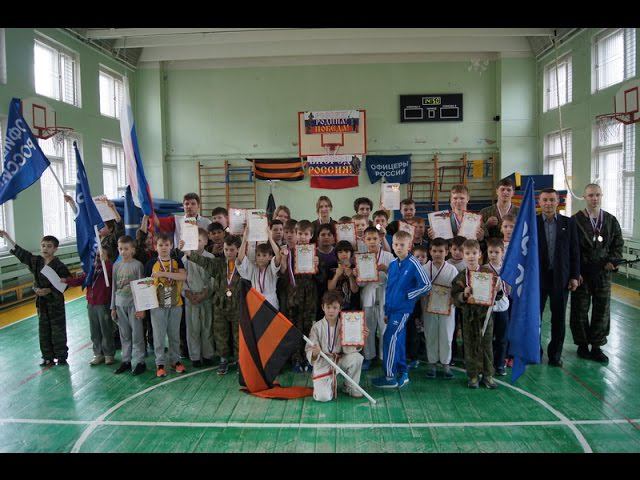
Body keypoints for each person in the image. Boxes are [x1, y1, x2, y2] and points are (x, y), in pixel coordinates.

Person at [570, 184, 624, 364]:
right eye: (591, 195)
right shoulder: (575, 221)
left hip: (603, 274)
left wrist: (613, 261)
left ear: (602, 196)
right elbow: (571, 248)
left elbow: (618, 244)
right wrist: (575, 272)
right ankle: (582, 344)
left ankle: (597, 346)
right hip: (582, 274)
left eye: (597, 195)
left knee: (602, 310)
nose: (594, 198)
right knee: (579, 310)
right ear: (584, 197)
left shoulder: (610, 220)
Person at [1, 231, 71, 367]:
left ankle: (61, 356)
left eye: (49, 246)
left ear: (55, 249)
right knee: (43, 330)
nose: (45, 248)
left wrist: (49, 290)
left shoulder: (60, 266)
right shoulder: (37, 261)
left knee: (58, 330)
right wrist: (6, 236)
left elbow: (66, 284)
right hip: (41, 303)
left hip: (55, 303)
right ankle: (47, 357)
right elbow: (20, 253)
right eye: (43, 245)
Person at [372, 230, 431, 389]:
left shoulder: (413, 263)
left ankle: (390, 377)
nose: (398, 247)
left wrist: (409, 295)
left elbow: (426, 285)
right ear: (392, 245)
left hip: (403, 309)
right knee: (397, 341)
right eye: (396, 244)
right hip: (392, 310)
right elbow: (389, 289)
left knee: (389, 338)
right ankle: (402, 373)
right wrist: (387, 311)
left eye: (402, 245)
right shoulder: (393, 264)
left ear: (409, 246)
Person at [185, 235, 242, 375]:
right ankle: (223, 359)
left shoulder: (243, 266)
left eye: (232, 250)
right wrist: (188, 252)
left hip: (237, 306)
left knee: (238, 335)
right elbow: (204, 261)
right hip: (219, 305)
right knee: (220, 333)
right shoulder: (218, 264)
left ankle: (240, 361)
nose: (228, 253)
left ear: (238, 250)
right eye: (226, 249)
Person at [451, 239, 503, 389]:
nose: (471, 256)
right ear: (463, 255)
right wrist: (464, 294)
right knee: (470, 346)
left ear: (480, 254)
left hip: (485, 317)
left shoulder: (489, 274)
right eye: (467, 253)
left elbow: (497, 296)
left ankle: (488, 375)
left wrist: (498, 290)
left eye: (474, 253)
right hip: (468, 317)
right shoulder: (461, 277)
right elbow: (455, 296)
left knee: (486, 345)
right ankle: (473, 376)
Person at [537, 188, 580, 367]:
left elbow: (575, 251)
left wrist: (574, 276)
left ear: (558, 202)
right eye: (545, 200)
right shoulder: (531, 223)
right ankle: (535, 352)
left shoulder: (568, 223)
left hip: (560, 278)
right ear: (539, 202)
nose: (548, 203)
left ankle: (555, 355)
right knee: (535, 318)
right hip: (538, 279)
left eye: (552, 200)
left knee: (559, 318)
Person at [305, 290, 368, 401]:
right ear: (323, 307)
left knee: (357, 358)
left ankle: (350, 386)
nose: (331, 311)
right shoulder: (316, 327)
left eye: (335, 307)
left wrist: (360, 338)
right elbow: (309, 349)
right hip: (323, 362)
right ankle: (326, 385)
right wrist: (314, 353)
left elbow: (349, 350)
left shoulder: (346, 324)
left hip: (339, 360)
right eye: (328, 307)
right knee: (323, 397)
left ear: (340, 308)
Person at [145, 233, 188, 378]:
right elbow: (145, 285)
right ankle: (160, 363)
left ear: (171, 246)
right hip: (157, 305)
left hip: (175, 304)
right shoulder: (151, 264)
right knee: (159, 335)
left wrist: (163, 274)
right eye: (160, 245)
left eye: (166, 245)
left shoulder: (176, 261)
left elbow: (183, 276)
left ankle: (175, 361)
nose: (163, 248)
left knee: (174, 334)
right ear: (155, 247)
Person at [63, 248, 114, 366]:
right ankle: (98, 354)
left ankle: (109, 354)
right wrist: (67, 281)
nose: (98, 257)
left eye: (101, 255)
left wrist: (105, 262)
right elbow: (82, 280)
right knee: (94, 330)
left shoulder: (109, 268)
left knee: (106, 329)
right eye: (96, 255)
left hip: (103, 303)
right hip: (91, 303)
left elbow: (110, 272)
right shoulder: (91, 269)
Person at [280, 220, 320, 372]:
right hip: (293, 295)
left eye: (306, 234)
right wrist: (284, 259)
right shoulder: (289, 252)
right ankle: (296, 359)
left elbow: (320, 278)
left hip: (310, 296)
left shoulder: (315, 253)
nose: (303, 237)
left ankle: (309, 358)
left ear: (311, 235)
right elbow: (283, 275)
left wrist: (317, 266)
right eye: (300, 233)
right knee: (294, 326)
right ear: (295, 234)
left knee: (309, 327)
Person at [356, 226, 394, 371]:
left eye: (375, 238)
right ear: (364, 241)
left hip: (385, 294)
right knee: (368, 328)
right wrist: (358, 275)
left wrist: (387, 270)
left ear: (380, 239)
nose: (372, 241)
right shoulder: (361, 257)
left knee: (384, 327)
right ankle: (368, 357)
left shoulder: (389, 257)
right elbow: (360, 285)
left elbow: (397, 279)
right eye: (369, 239)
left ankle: (385, 357)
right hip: (368, 295)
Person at [422, 238, 459, 379]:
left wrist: (453, 297)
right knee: (430, 334)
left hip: (447, 308)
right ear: (430, 252)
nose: (437, 254)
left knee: (447, 335)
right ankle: (432, 364)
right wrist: (424, 291)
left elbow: (457, 289)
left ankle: (446, 364)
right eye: (434, 251)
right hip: (428, 307)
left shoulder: (452, 269)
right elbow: (418, 288)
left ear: (447, 252)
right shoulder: (424, 269)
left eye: (441, 251)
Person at [111, 236, 147, 375]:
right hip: (120, 304)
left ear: (133, 250)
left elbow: (142, 287)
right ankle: (126, 360)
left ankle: (139, 361)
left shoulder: (138, 265)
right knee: (124, 335)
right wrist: (113, 307)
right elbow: (114, 287)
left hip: (134, 306)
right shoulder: (116, 266)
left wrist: (141, 308)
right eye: (121, 249)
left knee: (137, 334)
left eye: (126, 249)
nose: (123, 252)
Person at [179, 229, 215, 368]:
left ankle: (207, 355)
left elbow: (213, 279)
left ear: (206, 241)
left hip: (206, 298)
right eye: (194, 240)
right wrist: (187, 293)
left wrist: (205, 293)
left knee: (207, 326)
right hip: (191, 298)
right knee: (192, 329)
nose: (196, 243)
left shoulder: (210, 258)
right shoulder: (185, 259)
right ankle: (195, 356)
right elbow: (182, 279)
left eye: (199, 240)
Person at [236, 222, 282, 309]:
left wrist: (270, 238)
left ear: (270, 257)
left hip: (271, 304)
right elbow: (241, 258)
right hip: (256, 304)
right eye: (258, 255)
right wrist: (244, 239)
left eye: (264, 255)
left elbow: (278, 256)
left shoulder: (271, 269)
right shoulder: (253, 269)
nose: (261, 258)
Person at [484, 237, 511, 376]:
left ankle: (500, 364)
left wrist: (502, 287)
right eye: (490, 252)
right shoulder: (483, 269)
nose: (493, 255)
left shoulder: (507, 269)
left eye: (496, 252)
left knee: (501, 338)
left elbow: (510, 290)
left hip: (502, 308)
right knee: (488, 337)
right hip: (488, 309)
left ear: (502, 252)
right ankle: (487, 363)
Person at [328, 240, 360, 311]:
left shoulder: (355, 268)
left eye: (346, 251)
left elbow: (355, 290)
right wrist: (336, 275)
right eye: (340, 252)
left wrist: (351, 276)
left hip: (353, 306)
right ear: (336, 254)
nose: (344, 254)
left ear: (351, 253)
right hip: (336, 307)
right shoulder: (331, 267)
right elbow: (330, 288)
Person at [315, 223, 338, 320]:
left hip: (335, 295)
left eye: (329, 234)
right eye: (323, 234)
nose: (326, 237)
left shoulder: (338, 252)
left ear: (333, 237)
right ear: (317, 238)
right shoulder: (312, 253)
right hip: (317, 294)